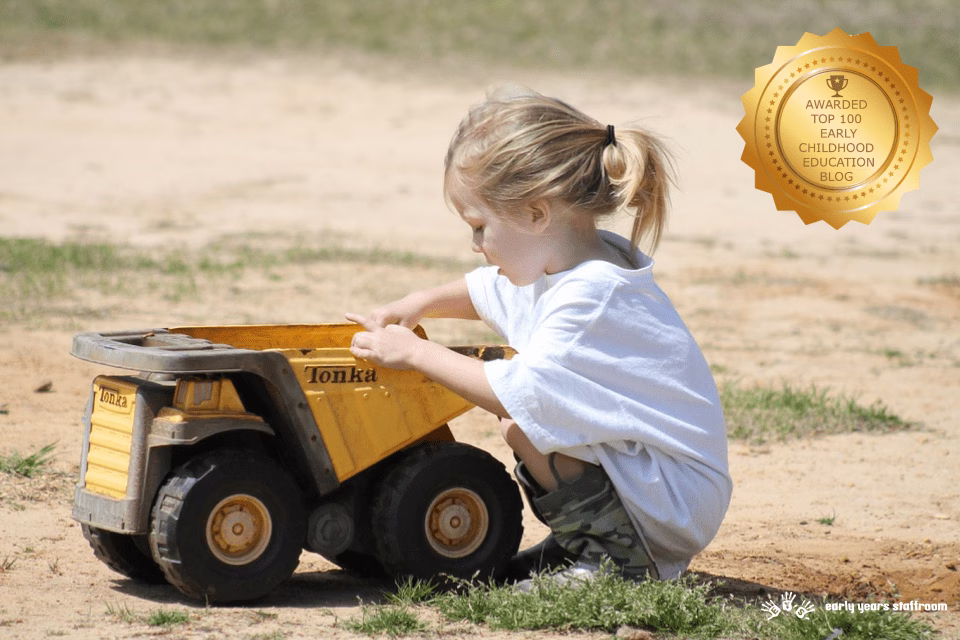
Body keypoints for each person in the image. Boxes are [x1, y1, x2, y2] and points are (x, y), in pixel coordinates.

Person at [346, 86, 732, 585]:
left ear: (535, 213)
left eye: (479, 226)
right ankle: (582, 542)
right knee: (525, 423)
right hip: (661, 484)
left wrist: (417, 353)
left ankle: (616, 561)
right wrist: (418, 303)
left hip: (672, 499)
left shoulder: (591, 298)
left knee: (522, 420)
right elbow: (488, 291)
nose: (475, 244)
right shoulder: (572, 261)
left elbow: (517, 391)